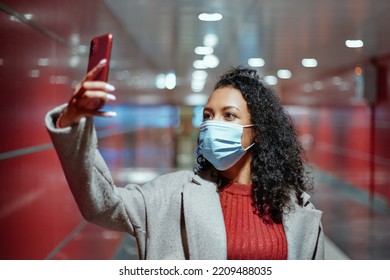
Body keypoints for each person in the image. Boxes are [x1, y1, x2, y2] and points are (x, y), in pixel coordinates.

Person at [45, 60, 324, 260]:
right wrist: (73, 122)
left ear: (258, 132)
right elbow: (102, 205)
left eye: (229, 115)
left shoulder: (297, 208)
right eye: (207, 115)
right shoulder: (171, 195)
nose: (213, 125)